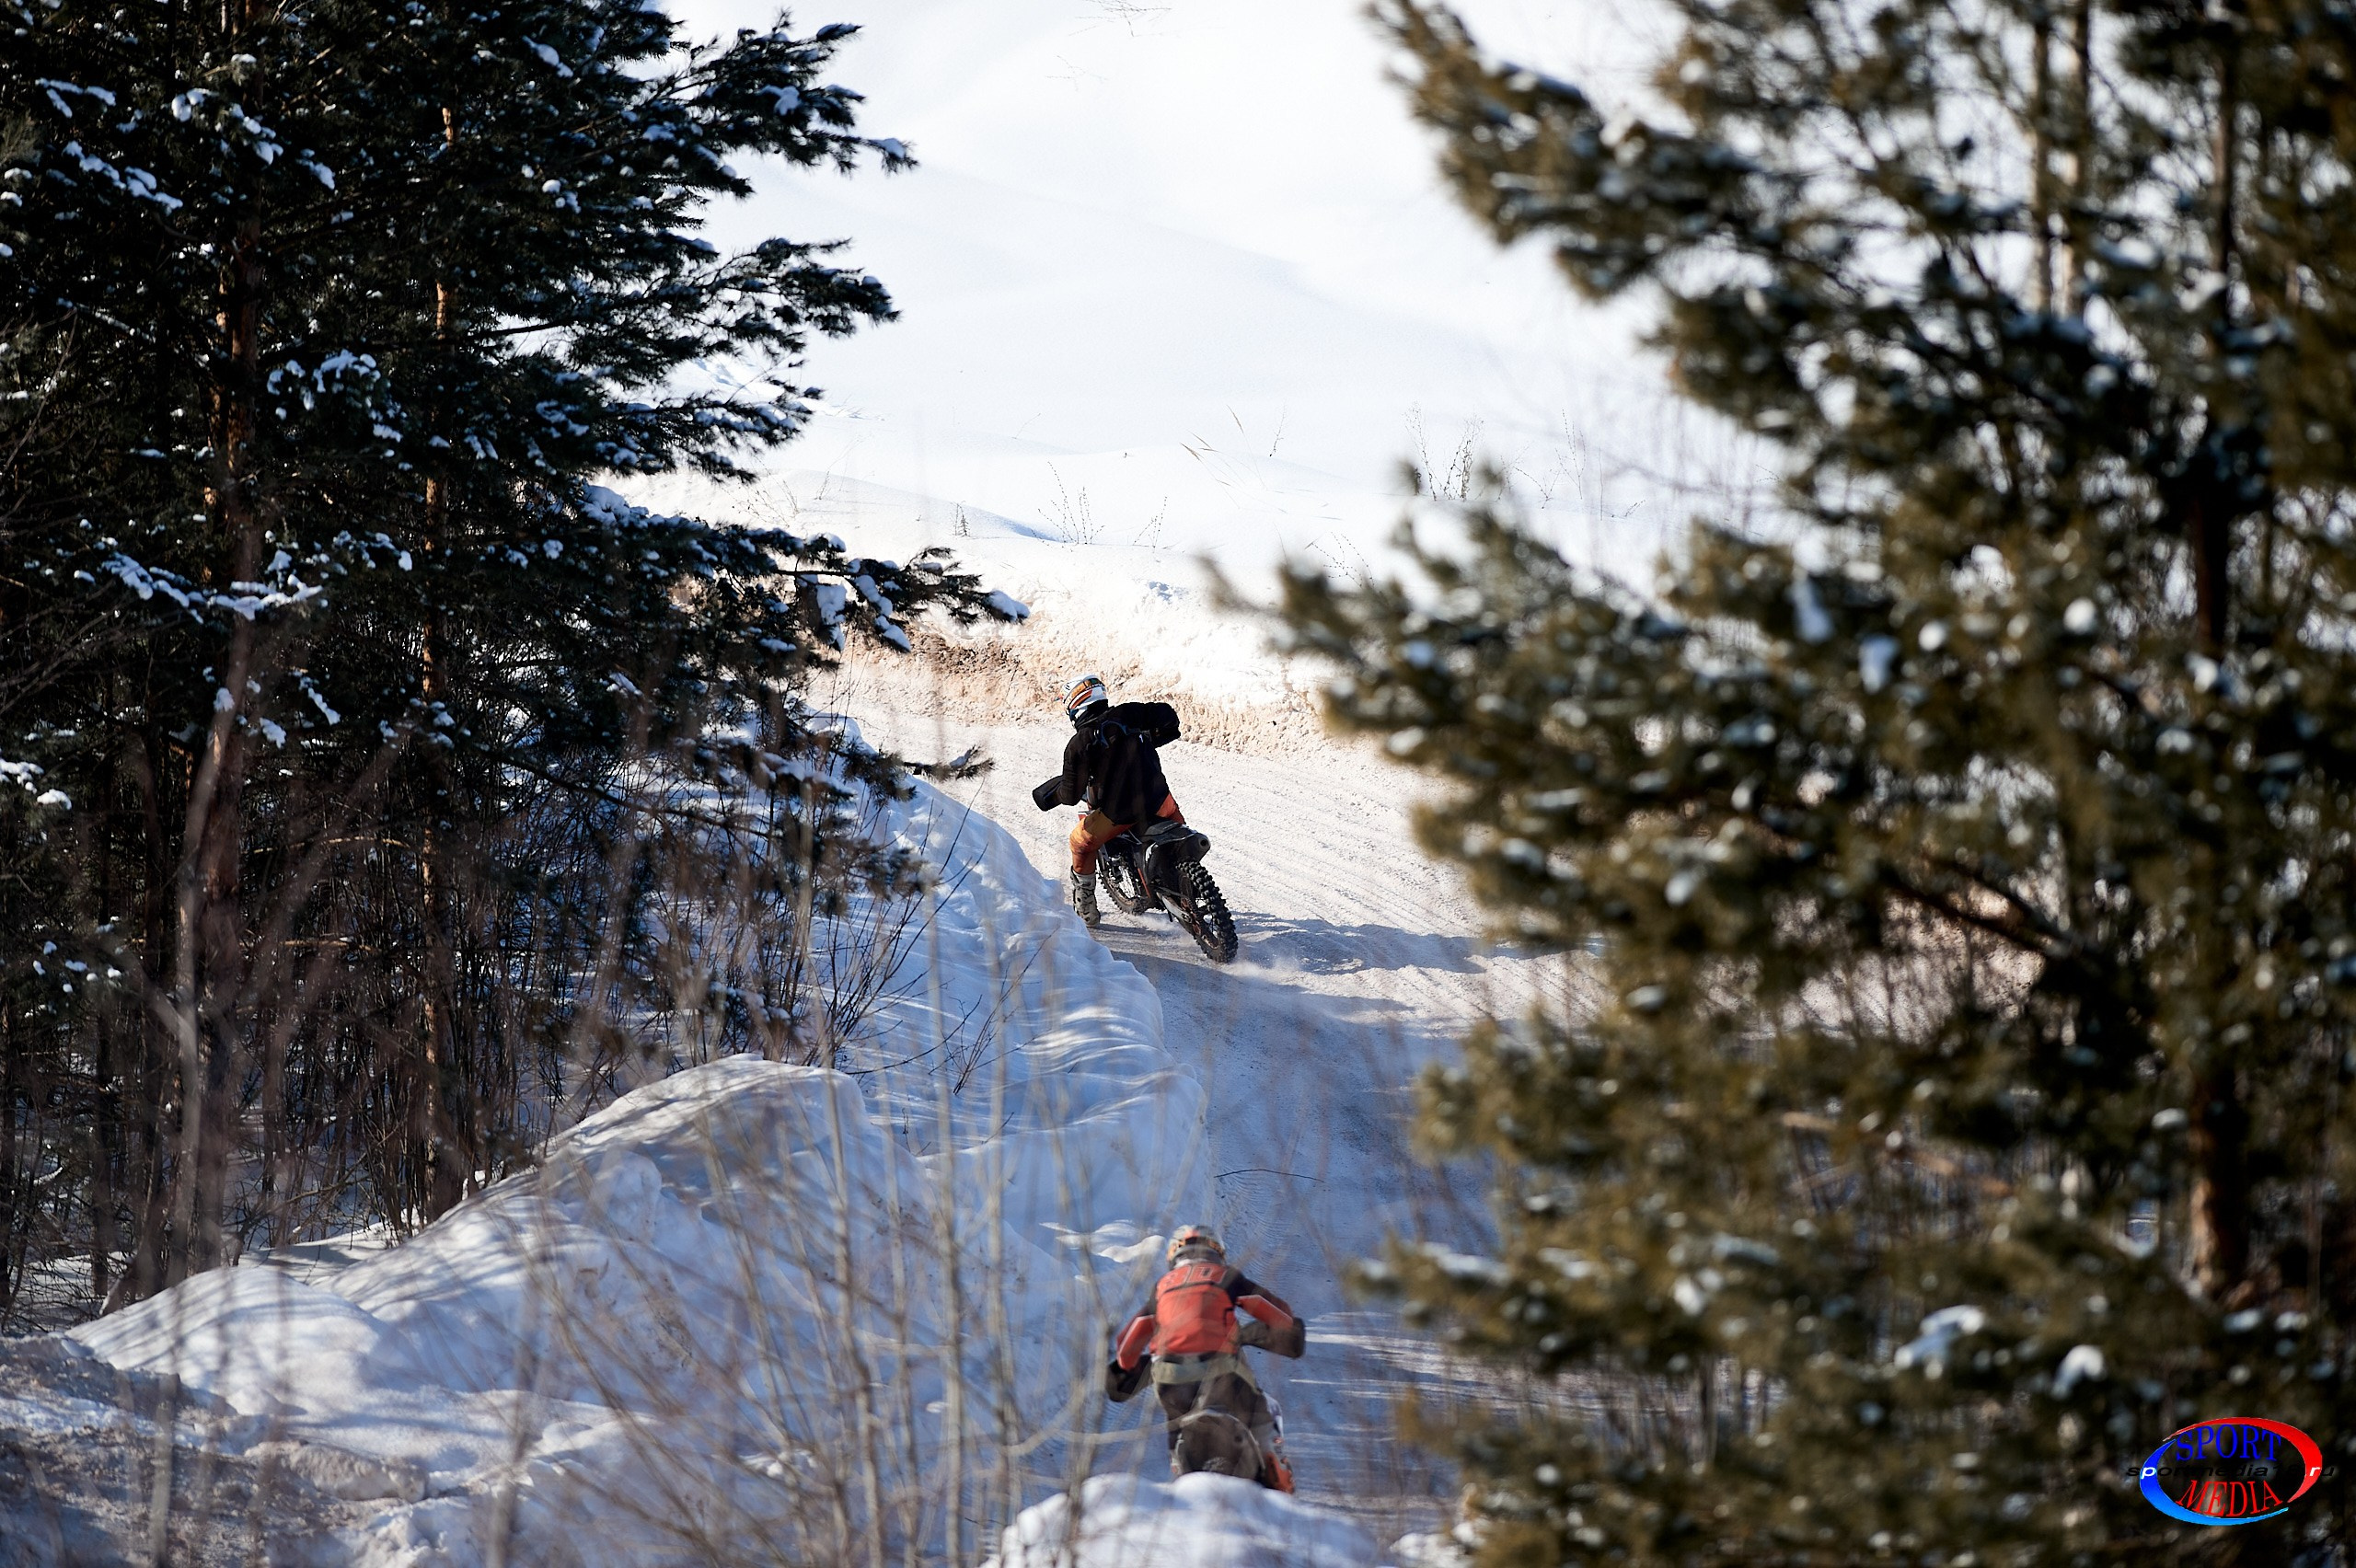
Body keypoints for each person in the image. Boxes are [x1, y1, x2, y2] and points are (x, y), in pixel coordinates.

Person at [1103, 1224, 1304, 1493]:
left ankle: (1181, 1471)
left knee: (1176, 1424)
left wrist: (1129, 1367)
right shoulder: (1225, 1276)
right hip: (1222, 1375)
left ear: (1174, 1255)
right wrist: (1255, 1332)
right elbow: (1281, 1317)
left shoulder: (1162, 1288)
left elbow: (1126, 1344)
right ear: (1217, 1251)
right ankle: (1278, 1476)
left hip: (1169, 1381)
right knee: (1260, 1414)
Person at [1033, 674, 1184, 928]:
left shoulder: (1079, 745)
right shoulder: (1130, 713)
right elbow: (1170, 718)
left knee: (1079, 842)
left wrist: (1055, 793)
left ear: (1075, 705)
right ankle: (1182, 878)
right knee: (1180, 841)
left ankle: (1086, 911)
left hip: (1120, 816)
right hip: (1162, 802)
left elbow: (1070, 795)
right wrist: (1147, 737)